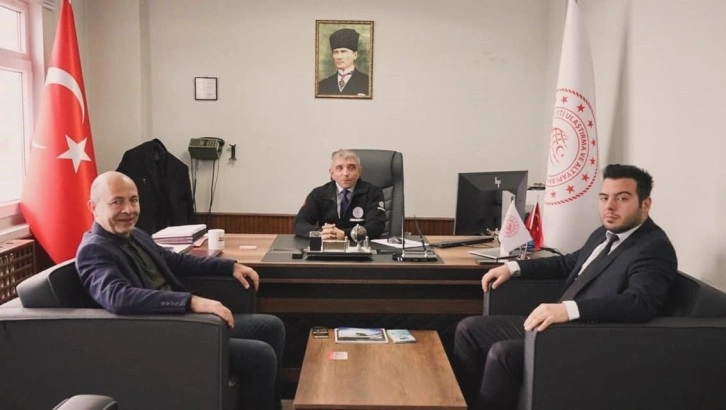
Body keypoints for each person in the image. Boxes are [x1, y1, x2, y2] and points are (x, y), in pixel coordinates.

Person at [452, 164, 678, 410]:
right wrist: (514, 267)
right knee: (468, 329)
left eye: (622, 198)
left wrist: (570, 310)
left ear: (645, 204)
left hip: (586, 337)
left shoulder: (653, 247)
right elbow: (568, 263)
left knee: (503, 354)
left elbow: (640, 303)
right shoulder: (604, 233)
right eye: (604, 198)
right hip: (555, 324)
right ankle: (461, 403)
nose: (609, 207)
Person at [75, 171, 285, 410]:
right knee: (260, 356)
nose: (129, 209)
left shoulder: (136, 235)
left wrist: (229, 266)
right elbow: (118, 297)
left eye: (134, 200)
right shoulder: (94, 250)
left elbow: (175, 261)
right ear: (94, 207)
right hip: (162, 335)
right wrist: (190, 302)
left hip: (186, 322)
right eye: (117, 202)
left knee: (272, 326)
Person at [294, 149, 386, 240]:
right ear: (332, 173)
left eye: (351, 167)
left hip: (360, 246)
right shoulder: (318, 194)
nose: (345, 173)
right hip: (327, 245)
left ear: (359, 171)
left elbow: (376, 226)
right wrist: (320, 233)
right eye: (339, 168)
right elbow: (299, 224)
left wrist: (345, 234)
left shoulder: (373, 192)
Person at [317, 28, 370, 96]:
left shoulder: (367, 82)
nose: (339, 57)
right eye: (335, 52)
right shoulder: (322, 85)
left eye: (343, 52)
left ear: (355, 55)